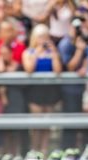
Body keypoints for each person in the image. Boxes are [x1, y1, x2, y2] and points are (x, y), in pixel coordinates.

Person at [23, 24, 63, 152]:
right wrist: (37, 52)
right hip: (35, 91)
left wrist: (54, 53)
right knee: (36, 124)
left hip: (50, 91)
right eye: (40, 37)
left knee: (47, 124)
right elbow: (29, 69)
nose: (43, 40)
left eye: (45, 37)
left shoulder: (52, 53)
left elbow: (58, 71)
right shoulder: (28, 52)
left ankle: (44, 151)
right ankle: (35, 150)